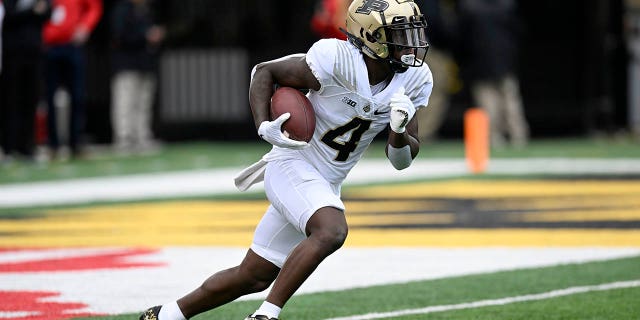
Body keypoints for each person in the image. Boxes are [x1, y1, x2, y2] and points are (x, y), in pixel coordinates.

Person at [139, 0, 433, 319]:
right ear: (371, 37)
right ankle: (266, 314)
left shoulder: (414, 80)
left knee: (254, 274)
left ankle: (165, 315)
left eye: (413, 33)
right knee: (331, 230)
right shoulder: (336, 59)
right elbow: (264, 71)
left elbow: (401, 161)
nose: (411, 43)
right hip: (293, 164)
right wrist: (264, 126)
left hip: (326, 182)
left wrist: (399, 130)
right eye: (400, 35)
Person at [457, 0, 529, 148]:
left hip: (483, 62)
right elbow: (519, 31)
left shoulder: (470, 7)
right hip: (502, 61)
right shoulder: (506, 5)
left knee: (491, 105)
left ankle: (497, 140)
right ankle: (518, 138)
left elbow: (460, 37)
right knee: (509, 102)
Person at [42, 0, 102, 159]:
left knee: (77, 95)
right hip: (49, 46)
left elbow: (94, 8)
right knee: (50, 97)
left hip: (72, 45)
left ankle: (75, 143)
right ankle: (53, 144)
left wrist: (85, 27)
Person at [109, 0, 164, 153]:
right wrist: (145, 36)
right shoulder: (122, 9)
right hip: (126, 64)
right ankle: (124, 138)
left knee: (144, 103)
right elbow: (119, 35)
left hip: (145, 64)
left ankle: (142, 135)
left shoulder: (147, 10)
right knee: (125, 101)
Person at [0, 0, 51, 162]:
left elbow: (47, 13)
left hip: (34, 53)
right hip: (12, 54)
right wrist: (31, 12)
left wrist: (35, 12)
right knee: (11, 101)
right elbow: (7, 16)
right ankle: (8, 146)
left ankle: (27, 147)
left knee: (30, 101)